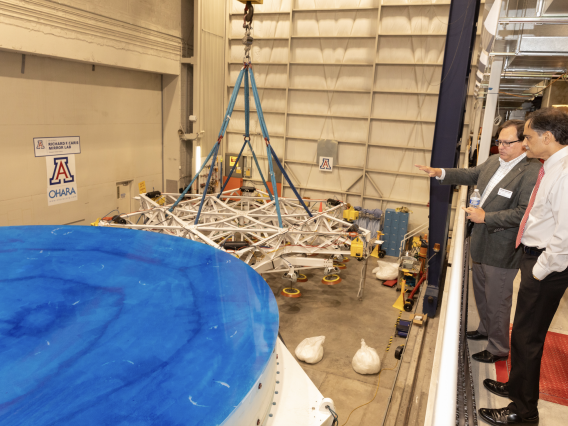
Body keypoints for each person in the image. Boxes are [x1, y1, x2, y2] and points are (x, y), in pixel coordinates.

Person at [415, 120, 541, 363]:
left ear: (524, 143)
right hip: (481, 241)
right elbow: (471, 174)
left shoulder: (531, 171)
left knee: (498, 301)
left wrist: (486, 217)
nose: (501, 147)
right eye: (499, 142)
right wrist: (440, 172)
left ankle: (498, 348)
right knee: (482, 294)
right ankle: (485, 329)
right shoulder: (495, 161)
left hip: (502, 249)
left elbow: (524, 212)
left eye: (507, 142)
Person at [479, 107, 568, 425]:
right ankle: (515, 387)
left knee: (528, 339)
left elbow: (565, 235)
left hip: (547, 266)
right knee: (522, 336)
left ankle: (524, 411)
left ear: (548, 136)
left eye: (528, 137)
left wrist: (540, 269)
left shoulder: (565, 172)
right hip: (537, 259)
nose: (526, 143)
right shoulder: (551, 166)